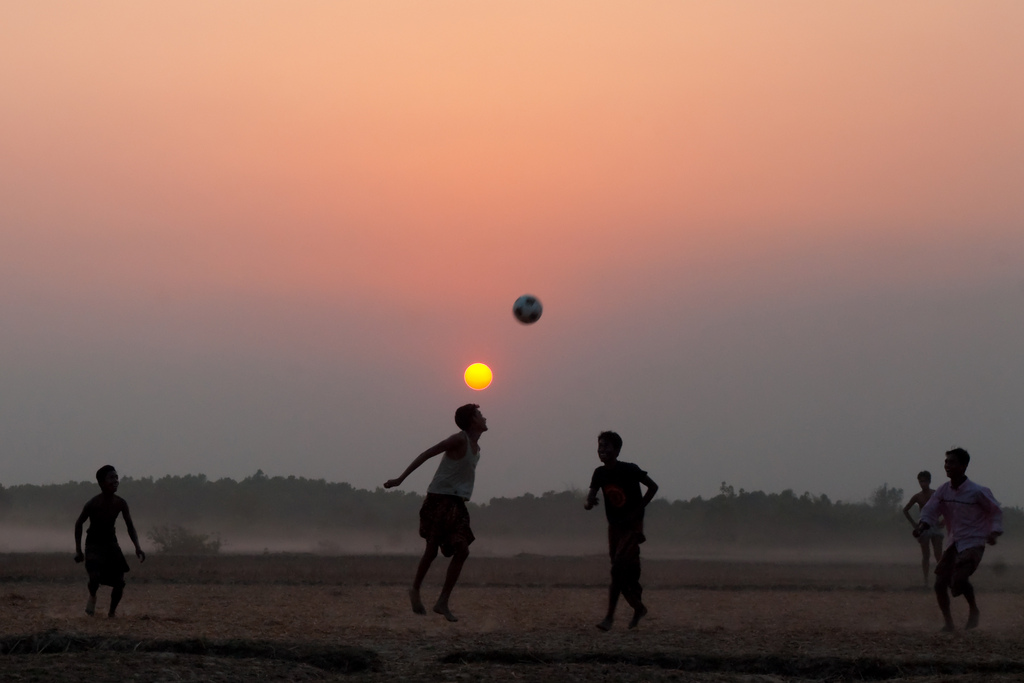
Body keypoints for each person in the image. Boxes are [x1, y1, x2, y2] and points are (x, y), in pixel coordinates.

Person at [383, 404, 486, 622]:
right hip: (439, 499)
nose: (484, 417)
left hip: (457, 504)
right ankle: (415, 589)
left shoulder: (476, 449)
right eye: (480, 415)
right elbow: (427, 453)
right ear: (472, 421)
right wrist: (400, 479)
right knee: (431, 551)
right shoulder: (459, 440)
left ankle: (442, 602)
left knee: (462, 550)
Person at [913, 448, 1003, 631]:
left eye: (952, 462)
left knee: (959, 581)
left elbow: (995, 511)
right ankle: (948, 623)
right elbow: (930, 510)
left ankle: (973, 610)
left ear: (963, 466)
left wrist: (993, 532)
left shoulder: (977, 491)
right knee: (939, 584)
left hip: (974, 542)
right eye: (946, 462)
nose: (947, 466)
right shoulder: (943, 491)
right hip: (954, 541)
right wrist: (922, 525)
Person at [584, 431, 658, 631]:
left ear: (617, 450)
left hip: (631, 527)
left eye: (607, 447)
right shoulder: (599, 473)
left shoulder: (630, 469)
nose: (602, 450)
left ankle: (609, 618)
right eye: (600, 446)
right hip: (614, 528)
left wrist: (639, 509)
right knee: (624, 573)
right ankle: (639, 607)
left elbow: (653, 487)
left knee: (618, 570)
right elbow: (589, 499)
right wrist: (589, 503)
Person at [73, 465, 146, 617]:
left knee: (119, 582)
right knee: (94, 578)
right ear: (101, 483)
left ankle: (111, 614)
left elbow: (130, 526)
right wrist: (79, 551)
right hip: (93, 543)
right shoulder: (93, 503)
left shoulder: (120, 503)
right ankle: (92, 596)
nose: (115, 481)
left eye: (116, 478)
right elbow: (79, 524)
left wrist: (137, 547)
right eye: (111, 478)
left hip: (111, 544)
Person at [903, 471, 944, 585]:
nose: (923, 484)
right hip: (923, 526)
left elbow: (947, 507)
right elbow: (905, 510)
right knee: (926, 555)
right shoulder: (917, 496)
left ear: (929, 481)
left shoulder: (936, 494)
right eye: (921, 481)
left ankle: (942, 579)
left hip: (935, 525)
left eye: (925, 481)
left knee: (938, 554)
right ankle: (926, 580)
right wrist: (913, 524)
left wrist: (944, 521)